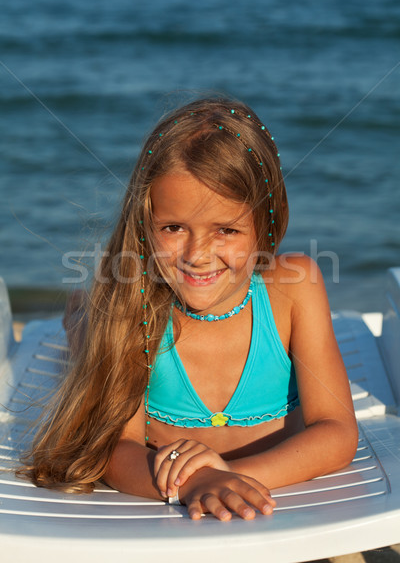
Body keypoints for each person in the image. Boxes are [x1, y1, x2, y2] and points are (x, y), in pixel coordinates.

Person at [21, 97, 358, 522]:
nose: (198, 255)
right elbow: (113, 449)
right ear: (145, 224)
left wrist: (227, 475)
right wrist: (194, 483)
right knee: (94, 331)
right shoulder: (135, 307)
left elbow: (337, 432)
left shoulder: (296, 289)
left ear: (266, 226)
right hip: (122, 322)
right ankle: (80, 317)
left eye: (226, 229)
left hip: (244, 477)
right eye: (174, 228)